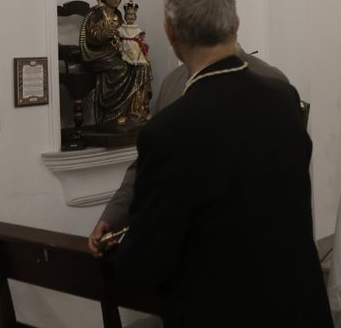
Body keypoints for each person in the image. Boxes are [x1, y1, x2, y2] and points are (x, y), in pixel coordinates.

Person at [103, 0, 334, 328]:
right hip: (294, 327)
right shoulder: (281, 99)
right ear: (236, 22)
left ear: (170, 34)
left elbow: (146, 264)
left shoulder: (174, 130)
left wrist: (122, 251)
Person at [87, 42, 289, 235]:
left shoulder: (271, 81)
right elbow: (148, 163)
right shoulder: (172, 84)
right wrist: (114, 216)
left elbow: (287, 171)